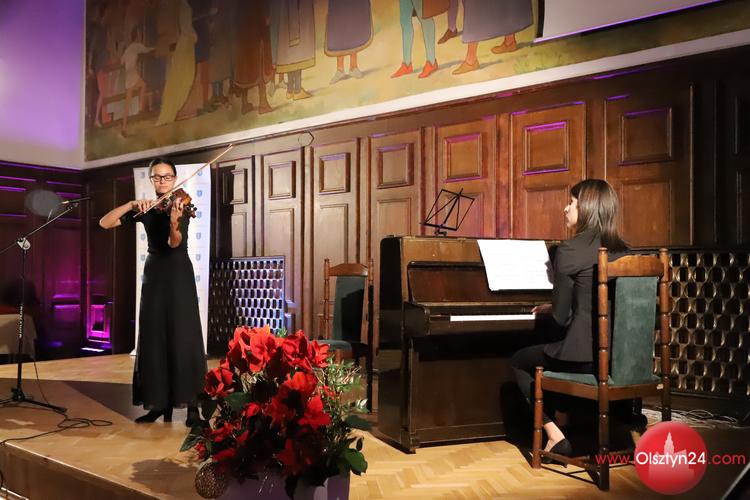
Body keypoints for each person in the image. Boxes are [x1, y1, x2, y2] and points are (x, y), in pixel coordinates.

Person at [511, 179, 629, 458]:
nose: (566, 208)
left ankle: (555, 435)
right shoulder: (625, 250)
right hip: (620, 357)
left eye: (572, 202)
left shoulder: (569, 250)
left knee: (518, 360)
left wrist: (556, 307)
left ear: (586, 208)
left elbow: (561, 319)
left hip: (585, 357)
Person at [99, 158, 206, 426]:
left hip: (178, 273)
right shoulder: (146, 208)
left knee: (183, 334)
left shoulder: (181, 205)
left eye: (167, 177)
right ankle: (159, 404)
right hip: (154, 274)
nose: (162, 181)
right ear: (151, 180)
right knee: (154, 334)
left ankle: (193, 407)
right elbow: (105, 222)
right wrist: (132, 204)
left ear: (174, 178)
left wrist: (174, 222)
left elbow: (174, 243)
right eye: (157, 177)